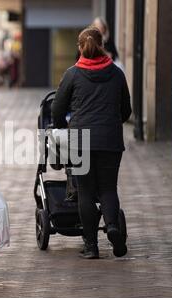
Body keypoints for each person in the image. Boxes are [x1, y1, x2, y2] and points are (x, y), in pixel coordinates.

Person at [51, 27, 132, 260]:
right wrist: (112, 123)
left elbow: (57, 108)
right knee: (107, 188)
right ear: (102, 45)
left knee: (85, 191)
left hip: (80, 141)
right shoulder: (116, 74)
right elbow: (126, 110)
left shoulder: (72, 74)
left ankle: (91, 246)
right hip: (110, 141)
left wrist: (62, 127)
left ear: (80, 47)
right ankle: (113, 227)